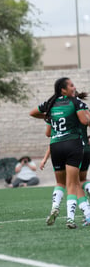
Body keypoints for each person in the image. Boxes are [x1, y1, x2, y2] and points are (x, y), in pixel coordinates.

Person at [30, 77, 90, 229]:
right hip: (77, 146)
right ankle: (76, 217)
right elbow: (84, 121)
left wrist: (48, 117)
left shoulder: (51, 105)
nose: (74, 87)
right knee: (76, 183)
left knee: (62, 183)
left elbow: (46, 130)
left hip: (56, 146)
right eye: (71, 85)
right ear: (63, 89)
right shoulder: (76, 103)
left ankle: (56, 207)